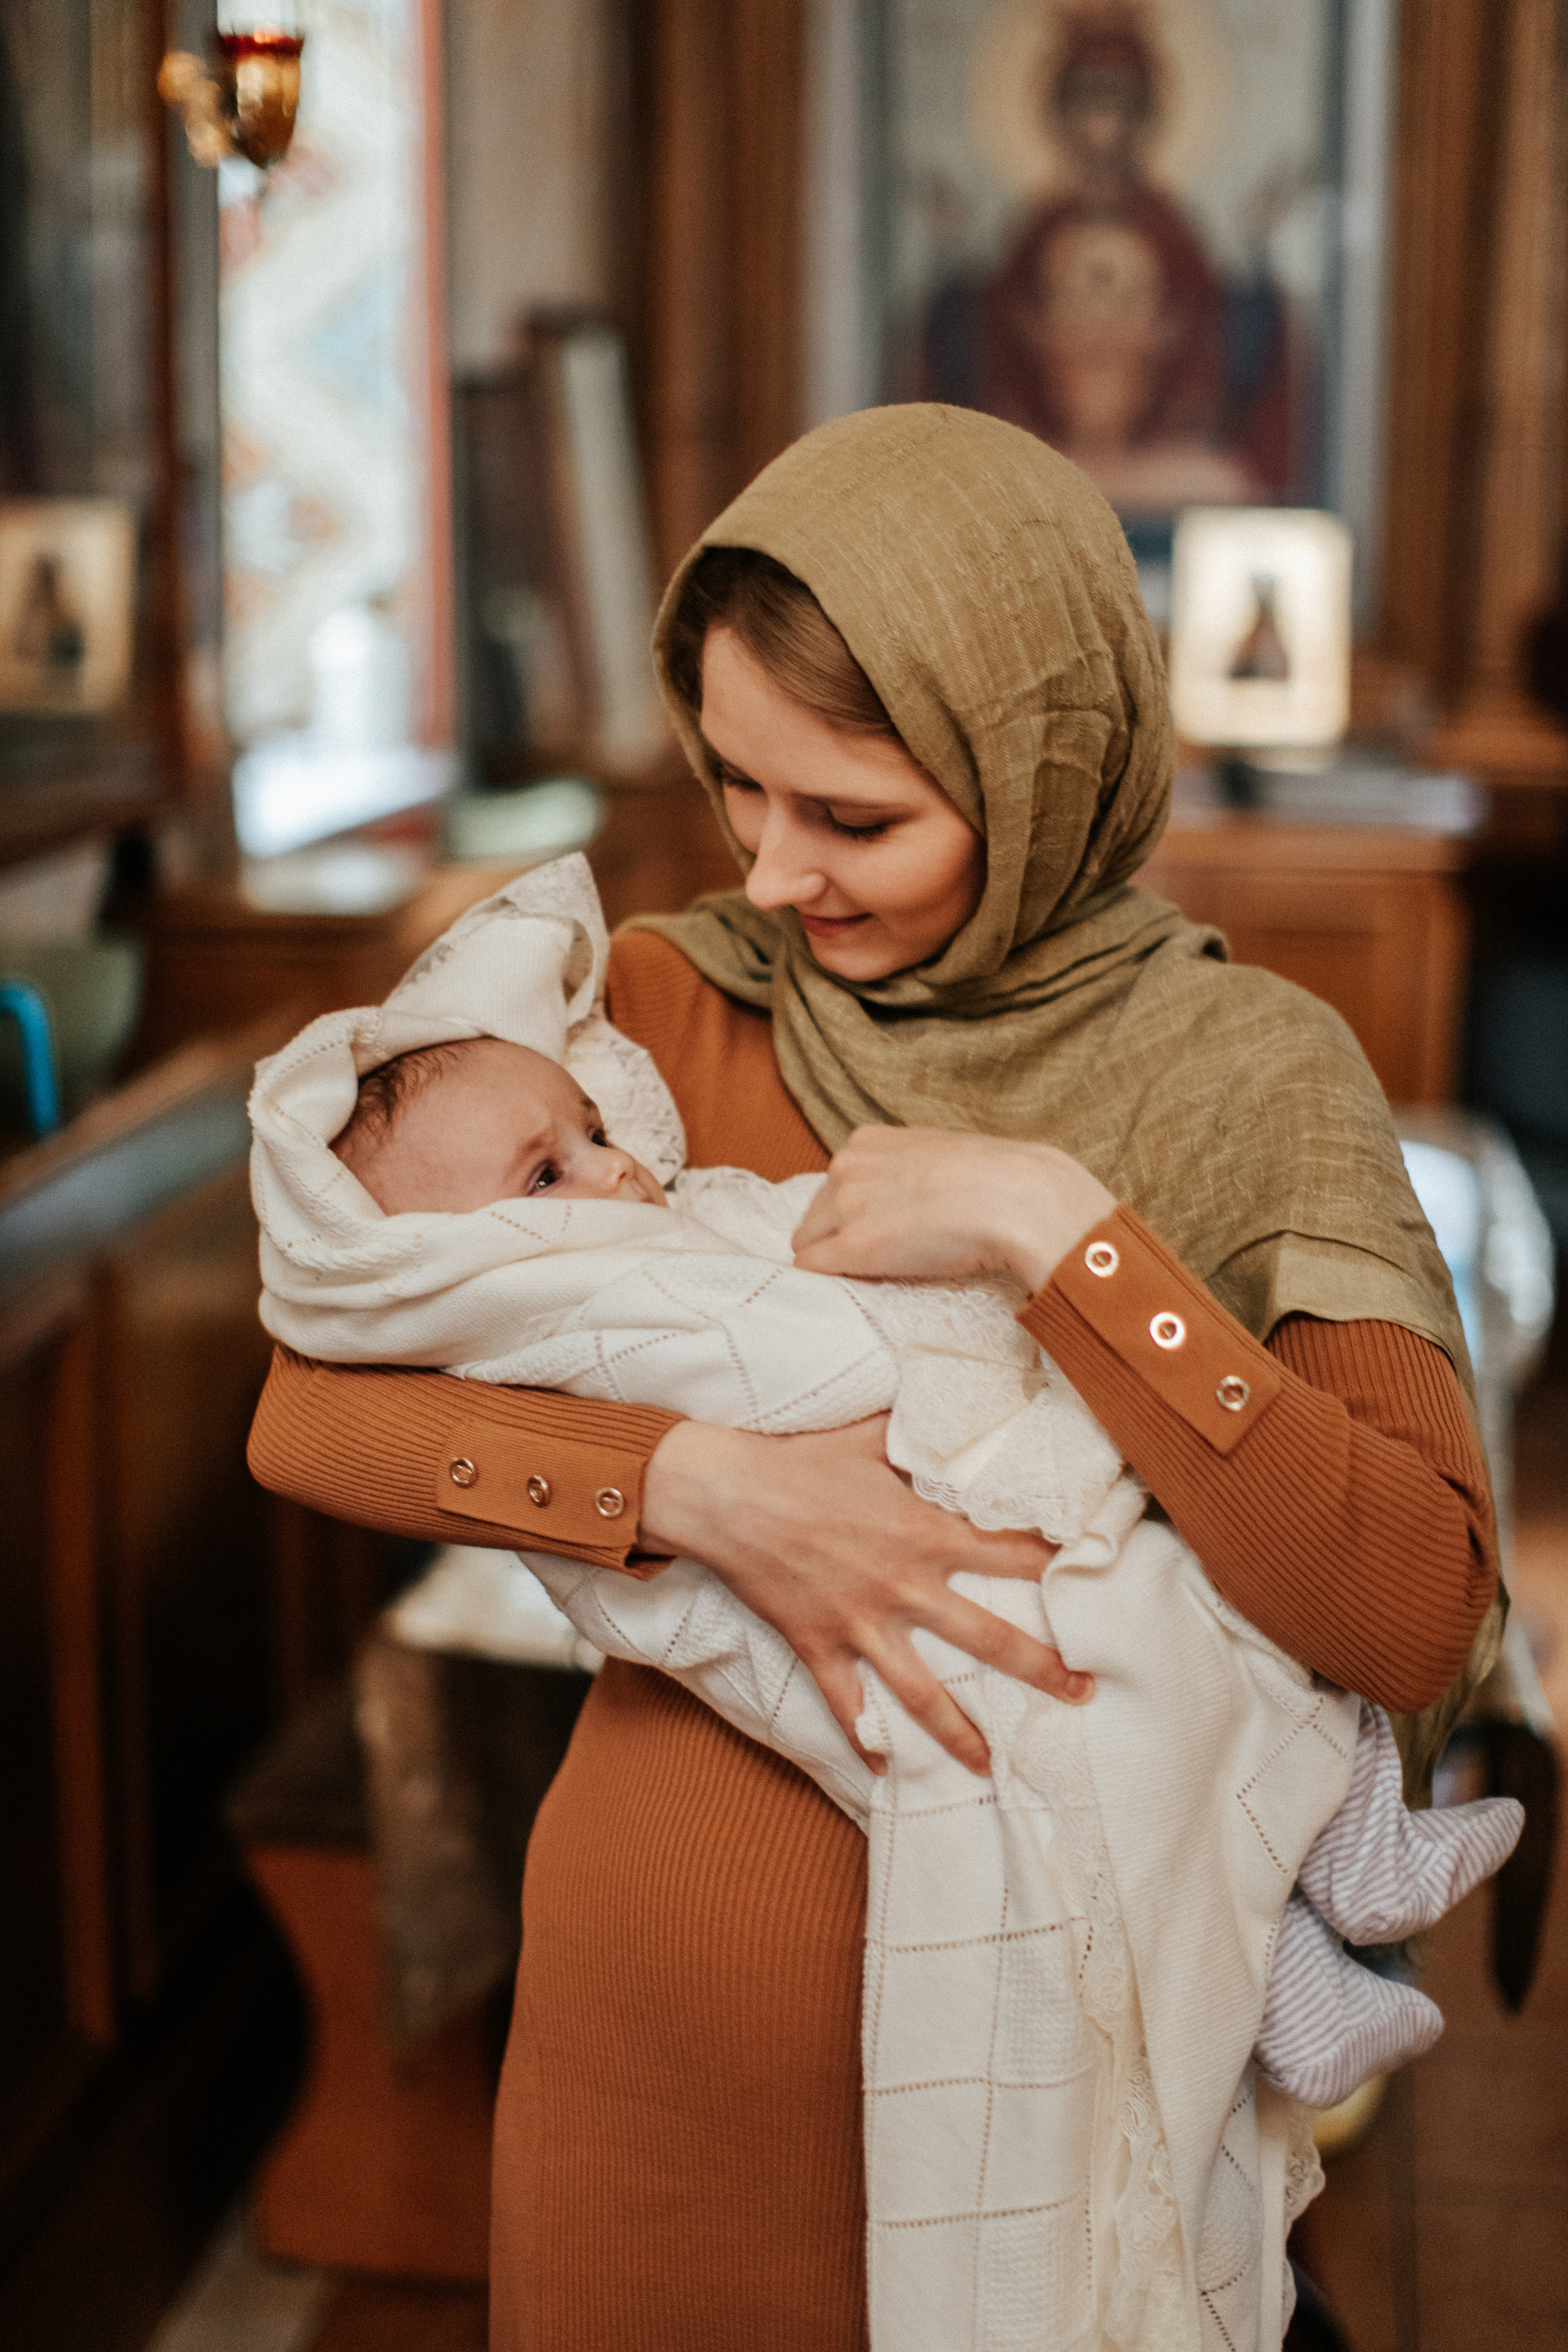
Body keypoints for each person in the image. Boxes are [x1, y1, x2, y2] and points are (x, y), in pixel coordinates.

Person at [248, 405, 1502, 2352]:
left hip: (1063, 2080)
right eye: (740, 791)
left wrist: (1058, 1235)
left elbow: (1414, 1603)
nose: (775, 874)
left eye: (855, 816)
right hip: (640, 2077)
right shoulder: (672, 1006)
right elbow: (311, 1407)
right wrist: (704, 1492)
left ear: (1044, 764)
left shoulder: (1256, 1081)